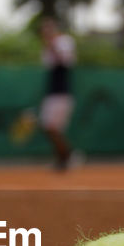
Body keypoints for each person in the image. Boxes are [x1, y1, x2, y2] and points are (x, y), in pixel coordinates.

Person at [38, 18, 78, 171]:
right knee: (49, 128)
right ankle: (63, 157)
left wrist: (52, 43)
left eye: (48, 28)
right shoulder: (46, 49)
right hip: (52, 93)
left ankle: (68, 155)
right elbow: (50, 64)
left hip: (62, 94)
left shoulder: (64, 41)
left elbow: (64, 61)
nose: (45, 32)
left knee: (52, 127)